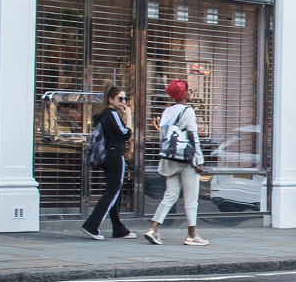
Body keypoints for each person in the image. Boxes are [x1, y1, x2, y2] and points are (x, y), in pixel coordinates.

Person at [143, 79, 207, 246]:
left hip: (170, 159)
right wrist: (199, 160)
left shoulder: (167, 112)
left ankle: (153, 229)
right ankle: (192, 235)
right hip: (186, 160)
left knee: (169, 196)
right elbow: (194, 138)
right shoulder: (188, 111)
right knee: (191, 199)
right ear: (184, 94)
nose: (191, 93)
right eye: (189, 90)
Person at [82, 84, 135, 240]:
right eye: (120, 98)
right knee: (112, 190)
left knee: (115, 192)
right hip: (114, 155)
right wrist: (129, 116)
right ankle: (92, 225)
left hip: (108, 156)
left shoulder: (107, 115)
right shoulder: (111, 114)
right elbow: (125, 134)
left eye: (125, 98)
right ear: (111, 99)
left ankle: (118, 228)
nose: (123, 102)